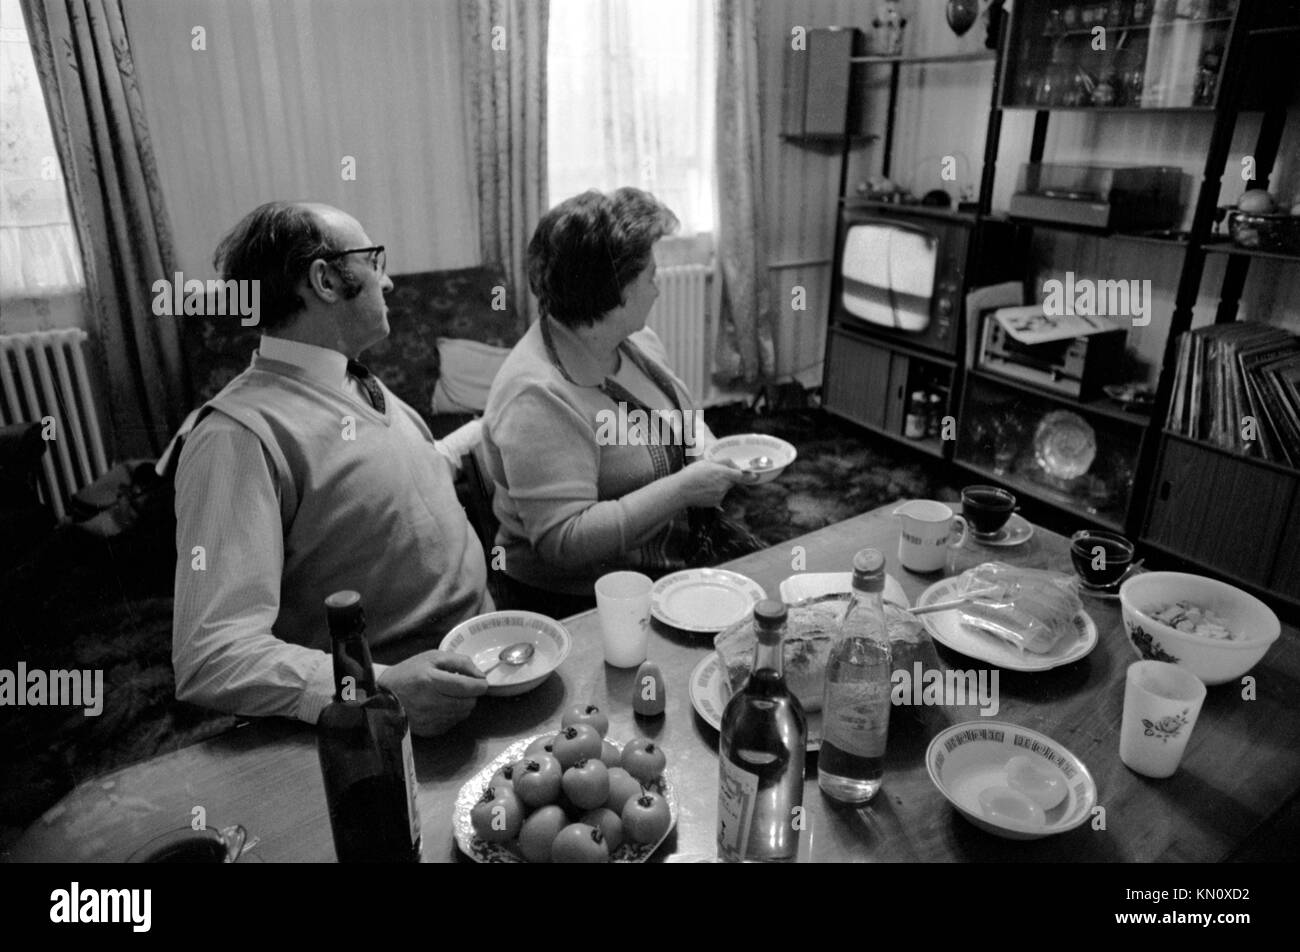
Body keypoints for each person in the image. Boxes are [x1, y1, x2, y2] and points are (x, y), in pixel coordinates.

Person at [172, 201, 489, 736]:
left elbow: (385, 494)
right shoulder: (236, 437)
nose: (386, 283)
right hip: (408, 719)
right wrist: (378, 688)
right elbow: (211, 653)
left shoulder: (351, 379)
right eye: (374, 260)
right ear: (323, 280)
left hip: (489, 655)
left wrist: (482, 431)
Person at [481, 188, 757, 615]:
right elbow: (565, 542)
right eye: (649, 275)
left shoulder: (634, 341)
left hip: (665, 561)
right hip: (581, 602)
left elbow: (679, 416)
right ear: (613, 292)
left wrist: (708, 449)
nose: (658, 287)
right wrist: (683, 490)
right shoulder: (536, 395)